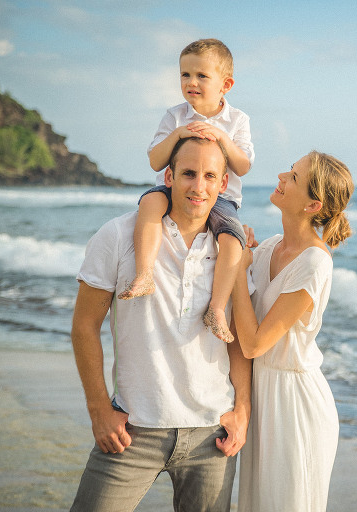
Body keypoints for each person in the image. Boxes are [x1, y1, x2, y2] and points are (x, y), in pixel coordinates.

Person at [70, 137, 251, 512]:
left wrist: (243, 409)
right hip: (133, 431)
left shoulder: (233, 250)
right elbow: (85, 325)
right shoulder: (120, 235)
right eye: (188, 173)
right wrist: (99, 409)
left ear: (222, 186)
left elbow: (238, 338)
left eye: (209, 176)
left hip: (211, 434)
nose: (198, 186)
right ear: (168, 176)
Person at [231, 151, 354, 512]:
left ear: (313, 205)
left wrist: (239, 269)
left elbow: (253, 343)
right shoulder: (268, 247)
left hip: (295, 404)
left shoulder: (314, 263)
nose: (282, 175)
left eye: (294, 177)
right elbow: (238, 315)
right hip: (262, 395)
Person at [119, 38, 254, 345]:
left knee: (234, 238)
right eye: (185, 75)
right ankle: (145, 274)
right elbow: (155, 159)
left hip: (219, 197)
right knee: (150, 203)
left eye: (201, 76)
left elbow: (243, 165)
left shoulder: (237, 120)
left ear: (226, 84)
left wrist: (222, 138)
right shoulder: (175, 116)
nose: (191, 82)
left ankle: (217, 309)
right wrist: (179, 133)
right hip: (173, 188)